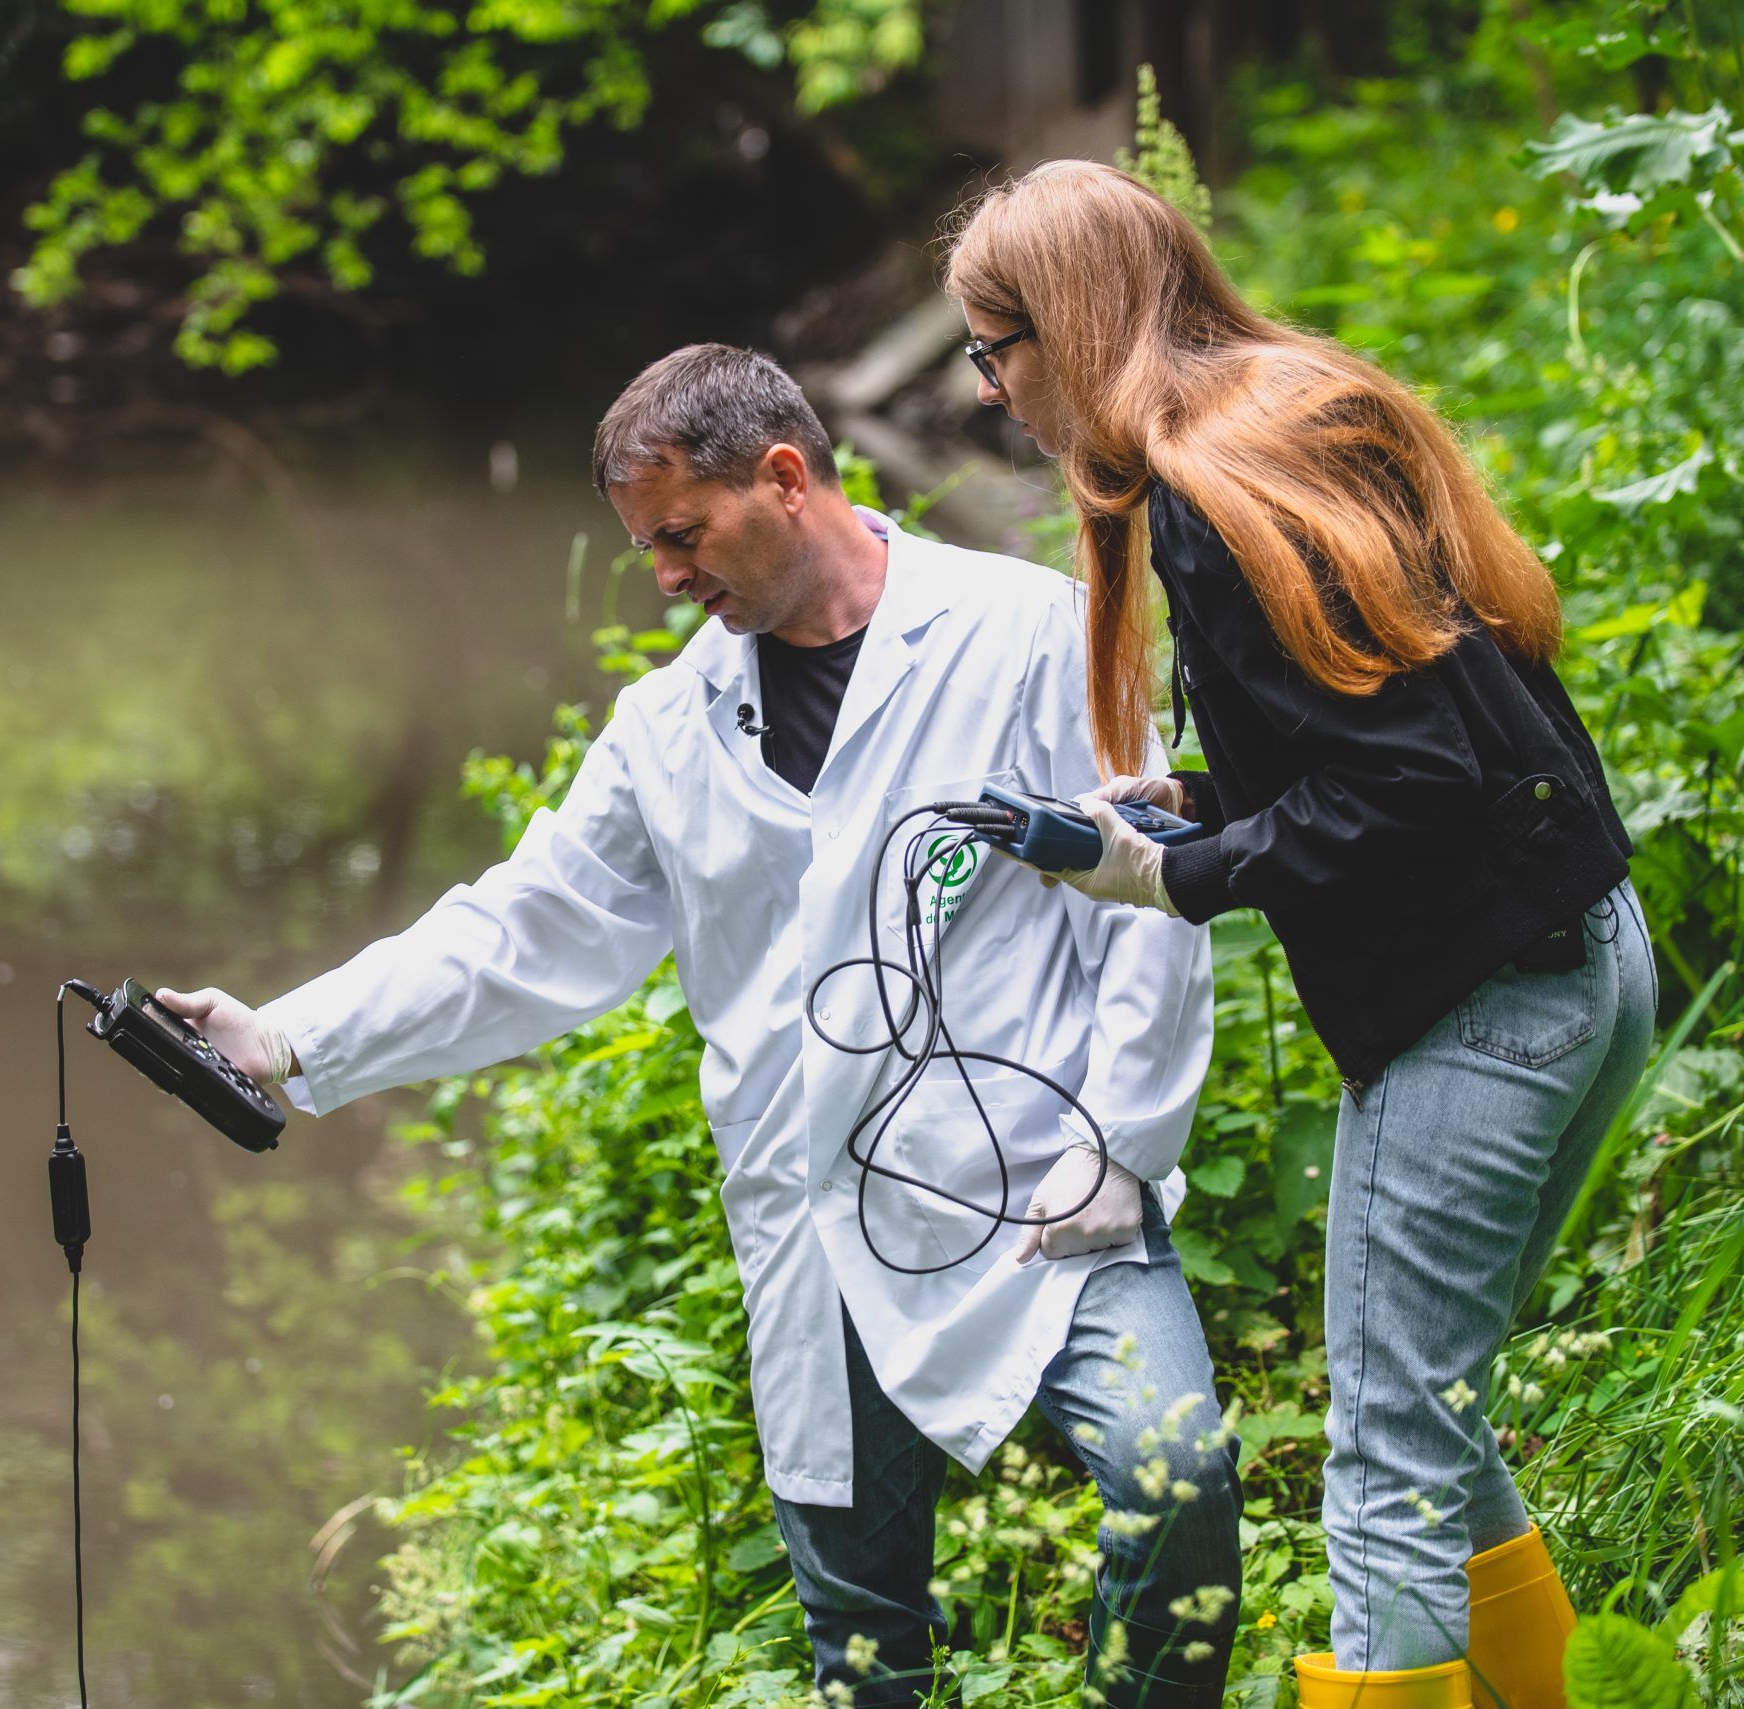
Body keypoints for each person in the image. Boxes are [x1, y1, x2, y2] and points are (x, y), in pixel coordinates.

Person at [155, 345, 1243, 1707]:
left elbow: (1153, 889)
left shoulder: (1032, 631)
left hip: (1050, 1184)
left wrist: (1126, 1149)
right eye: (644, 545)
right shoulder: (671, 728)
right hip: (821, 1226)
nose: (664, 575)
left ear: (786, 477)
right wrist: (284, 1038)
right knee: (863, 1647)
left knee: (1178, 1473)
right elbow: (520, 931)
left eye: (681, 533)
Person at [942, 162, 1657, 1709]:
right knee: (1437, 1407)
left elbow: (1411, 781)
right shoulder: (1289, 398)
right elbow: (1414, 713)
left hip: (1485, 1008)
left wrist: (1166, 878)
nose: (992, 393)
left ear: (1059, 331)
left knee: (1387, 1448)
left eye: (993, 352)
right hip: (1593, 948)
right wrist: (1191, 796)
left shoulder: (1202, 489)